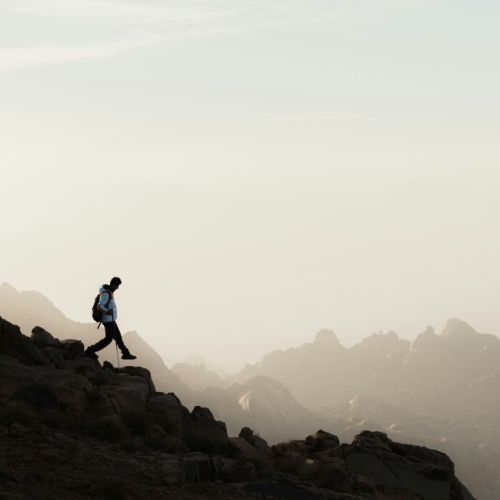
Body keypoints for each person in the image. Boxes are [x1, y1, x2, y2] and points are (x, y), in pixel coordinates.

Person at [85, 277, 137, 360]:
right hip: (108, 320)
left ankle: (125, 353)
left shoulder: (108, 292)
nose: (117, 288)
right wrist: (107, 312)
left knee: (118, 337)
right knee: (108, 339)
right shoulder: (106, 294)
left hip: (110, 319)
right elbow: (99, 306)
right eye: (117, 286)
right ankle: (90, 350)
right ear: (113, 284)